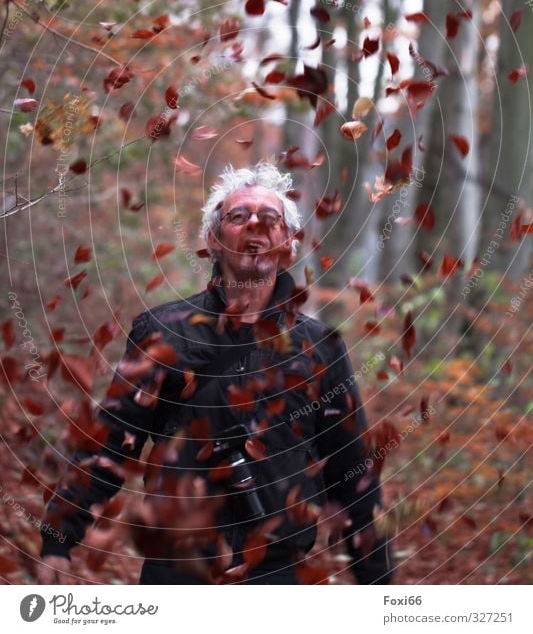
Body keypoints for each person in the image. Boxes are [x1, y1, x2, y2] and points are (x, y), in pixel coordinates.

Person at [38, 161, 393, 585]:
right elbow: (112, 441)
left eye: (270, 218)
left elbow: (351, 470)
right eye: (238, 216)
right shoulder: (162, 332)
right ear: (213, 241)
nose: (255, 225)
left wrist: (377, 583)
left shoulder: (321, 347)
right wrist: (57, 541)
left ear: (288, 245)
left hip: (280, 574)